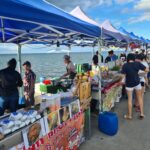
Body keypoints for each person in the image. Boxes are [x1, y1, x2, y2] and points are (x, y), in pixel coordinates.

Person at [121, 53, 148, 120]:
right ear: (134, 58)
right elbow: (147, 70)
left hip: (129, 84)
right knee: (140, 98)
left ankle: (129, 116)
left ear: (127, 58)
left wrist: (121, 82)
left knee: (130, 99)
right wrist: (139, 73)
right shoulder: (137, 63)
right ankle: (142, 114)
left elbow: (123, 76)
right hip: (137, 83)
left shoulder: (125, 65)